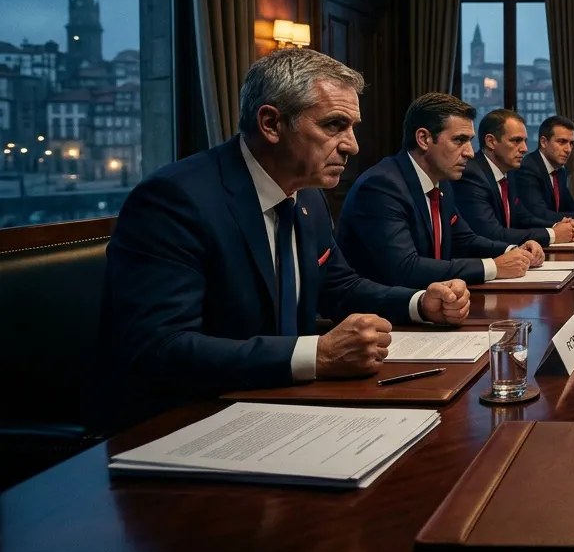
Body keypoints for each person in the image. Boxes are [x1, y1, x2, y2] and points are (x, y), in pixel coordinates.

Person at [93, 49, 471, 429]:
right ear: (272, 123)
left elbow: (338, 285)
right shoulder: (174, 200)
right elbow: (160, 348)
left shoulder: (307, 194)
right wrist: (316, 355)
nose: (352, 145)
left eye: (352, 127)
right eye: (334, 125)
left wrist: (422, 303)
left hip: (278, 405)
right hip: (184, 421)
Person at [336, 93, 545, 289]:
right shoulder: (381, 186)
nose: (470, 153)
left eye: (469, 141)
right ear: (424, 139)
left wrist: (514, 251)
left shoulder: (441, 181)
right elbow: (405, 268)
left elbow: (463, 239)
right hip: (383, 316)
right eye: (459, 140)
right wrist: (494, 267)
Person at [452, 109, 574, 247]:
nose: (525, 148)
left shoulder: (510, 171)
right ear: (491, 141)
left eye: (525, 141)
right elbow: (492, 233)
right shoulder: (471, 175)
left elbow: (522, 217)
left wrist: (558, 225)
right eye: (516, 141)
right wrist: (553, 234)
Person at [512, 115, 574, 225]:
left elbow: (569, 204)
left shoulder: (560, 170)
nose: (568, 149)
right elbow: (538, 213)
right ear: (544, 142)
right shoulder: (528, 168)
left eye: (571, 143)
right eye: (562, 142)